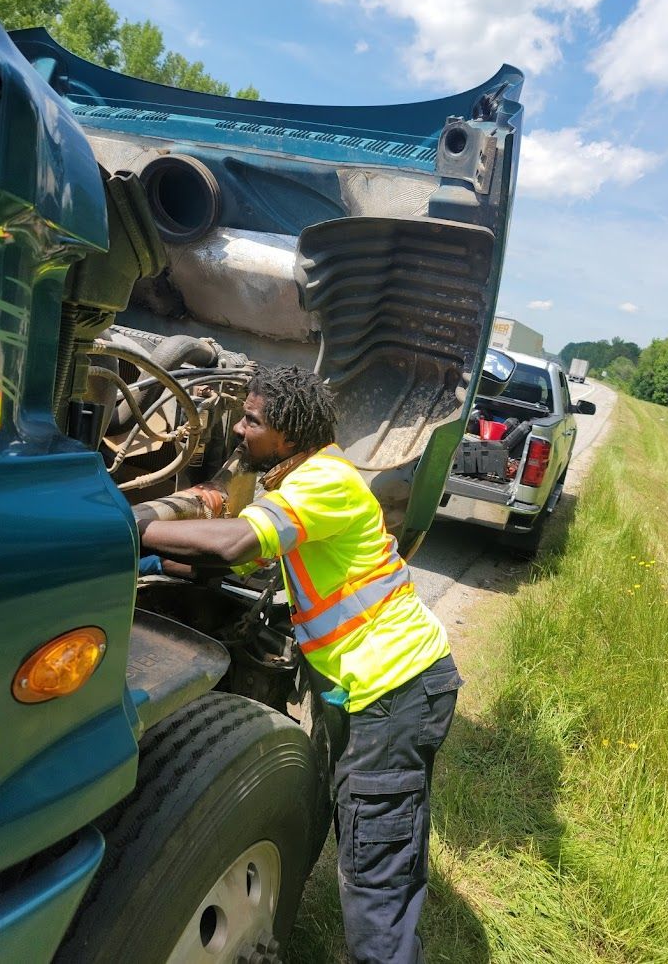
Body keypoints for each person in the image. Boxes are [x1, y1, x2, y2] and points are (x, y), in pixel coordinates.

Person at [136, 364, 462, 964]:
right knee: (378, 839)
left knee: (374, 866)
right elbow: (233, 565)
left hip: (393, 691)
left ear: (289, 433)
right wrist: (155, 568)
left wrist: (130, 526)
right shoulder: (300, 484)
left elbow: (235, 542)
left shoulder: (326, 481)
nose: (238, 430)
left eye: (252, 421)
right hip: (381, 689)